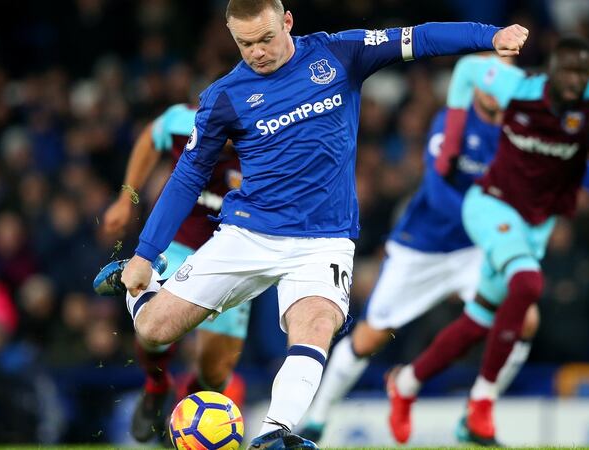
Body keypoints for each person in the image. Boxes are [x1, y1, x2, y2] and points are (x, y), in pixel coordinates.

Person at [115, 0, 530, 447]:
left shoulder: (339, 54)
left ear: (287, 21)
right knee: (153, 328)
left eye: (266, 39)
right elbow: (187, 176)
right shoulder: (224, 96)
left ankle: (275, 436)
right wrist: (144, 253)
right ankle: (136, 288)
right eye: (245, 43)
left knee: (316, 324)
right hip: (249, 234)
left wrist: (491, 36)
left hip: (324, 241)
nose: (257, 52)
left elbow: (421, 37)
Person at [297, 56, 589, 445]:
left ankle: (478, 413)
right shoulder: (451, 121)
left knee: (526, 317)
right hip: (425, 245)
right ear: (475, 86)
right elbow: (438, 186)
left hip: (481, 246)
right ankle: (317, 418)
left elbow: (576, 163)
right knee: (371, 336)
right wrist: (486, 218)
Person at [94, 103, 265, 443]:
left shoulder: (268, 144)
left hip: (232, 255)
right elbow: (148, 138)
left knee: (215, 374)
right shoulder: (184, 122)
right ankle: (156, 385)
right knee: (152, 329)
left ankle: (183, 415)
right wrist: (127, 199)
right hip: (177, 245)